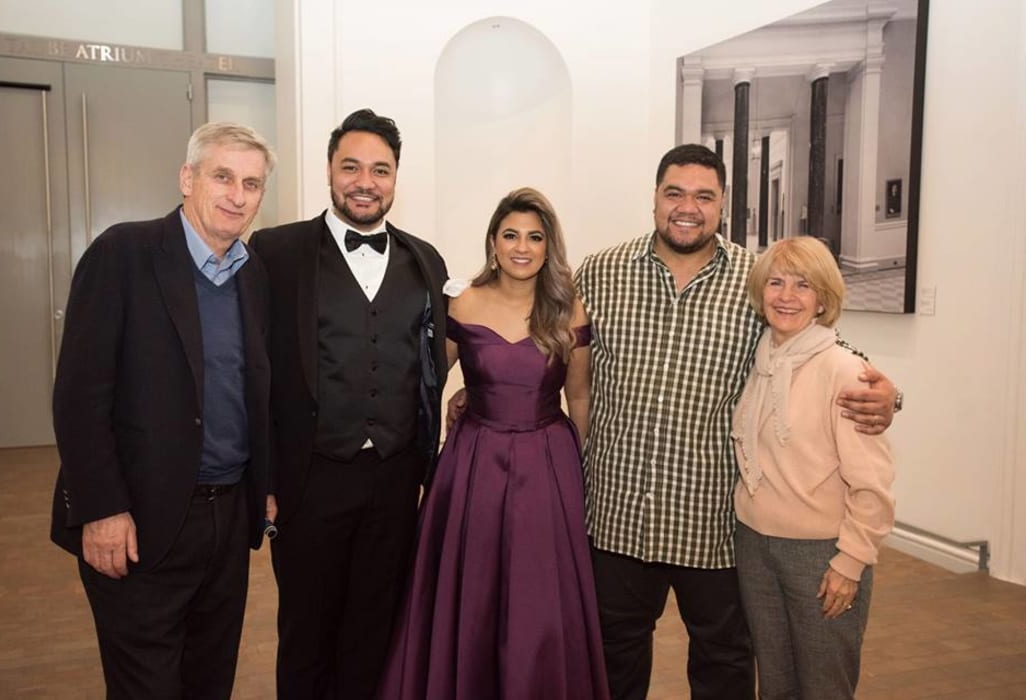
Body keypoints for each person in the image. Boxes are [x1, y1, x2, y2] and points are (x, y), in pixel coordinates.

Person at [572, 144, 899, 700]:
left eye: (704, 196)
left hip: (717, 522)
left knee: (724, 664)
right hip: (618, 513)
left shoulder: (759, 279)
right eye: (674, 193)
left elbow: (830, 353)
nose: (687, 207)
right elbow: (551, 358)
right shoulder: (600, 272)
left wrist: (891, 396)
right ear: (654, 198)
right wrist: (478, 397)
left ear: (724, 204)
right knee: (612, 658)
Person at [50, 121, 276, 698]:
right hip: (139, 523)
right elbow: (79, 395)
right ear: (187, 178)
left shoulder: (252, 276)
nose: (237, 195)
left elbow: (254, 391)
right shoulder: (123, 254)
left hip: (226, 523)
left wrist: (265, 486)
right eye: (222, 176)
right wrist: (100, 508)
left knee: (209, 681)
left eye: (251, 184)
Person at [378, 188, 610, 700]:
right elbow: (427, 381)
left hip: (547, 465)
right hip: (472, 466)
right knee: (472, 590)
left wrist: (585, 474)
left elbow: (581, 398)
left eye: (534, 237)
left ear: (549, 247)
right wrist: (453, 409)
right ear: (493, 242)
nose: (521, 247)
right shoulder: (464, 301)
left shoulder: (569, 308)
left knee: (538, 595)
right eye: (511, 235)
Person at [248, 108, 449, 700]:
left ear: (395, 177)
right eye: (351, 167)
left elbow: (440, 357)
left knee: (375, 628)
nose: (366, 181)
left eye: (380, 170)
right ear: (330, 172)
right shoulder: (275, 252)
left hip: (395, 478)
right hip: (310, 478)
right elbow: (251, 370)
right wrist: (260, 477)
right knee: (307, 630)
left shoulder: (425, 260)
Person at [731, 236, 894, 699]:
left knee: (825, 687)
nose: (786, 296)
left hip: (821, 555)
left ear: (823, 298)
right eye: (776, 283)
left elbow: (873, 482)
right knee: (776, 686)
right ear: (760, 293)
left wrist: (851, 561)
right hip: (755, 545)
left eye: (802, 285)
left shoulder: (844, 370)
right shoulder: (760, 361)